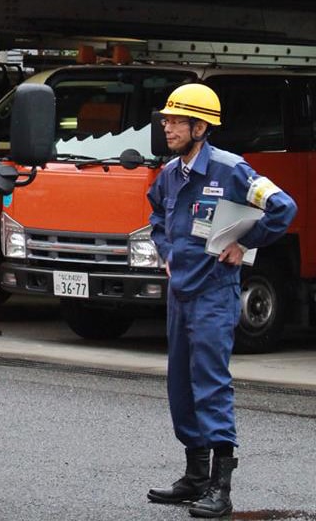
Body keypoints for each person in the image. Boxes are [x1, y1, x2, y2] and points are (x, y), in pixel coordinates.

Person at [146, 82, 297, 518]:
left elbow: (283, 208)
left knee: (210, 385)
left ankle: (220, 487)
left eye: (175, 120)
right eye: (167, 119)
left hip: (214, 292)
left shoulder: (233, 170)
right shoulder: (171, 174)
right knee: (181, 386)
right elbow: (156, 213)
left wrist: (245, 242)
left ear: (200, 127)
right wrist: (168, 252)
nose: (167, 126)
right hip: (181, 294)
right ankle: (194, 476)